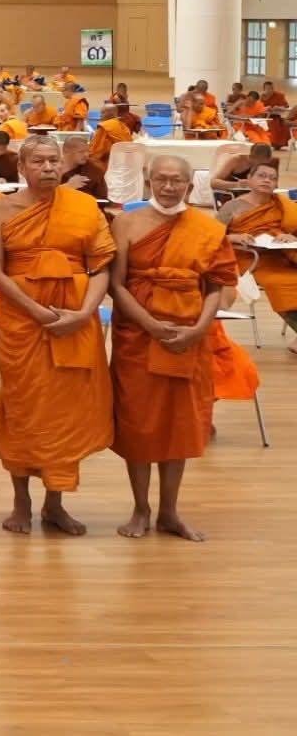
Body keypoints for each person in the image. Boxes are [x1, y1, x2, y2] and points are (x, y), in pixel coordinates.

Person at [0, 136, 114, 535]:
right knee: (23, 408)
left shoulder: (85, 206)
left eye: (54, 161)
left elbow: (101, 266)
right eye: (37, 161)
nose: (47, 168)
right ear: (21, 167)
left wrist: (86, 312)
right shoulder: (1, 210)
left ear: (64, 165)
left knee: (64, 412)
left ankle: (54, 502)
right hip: (24, 322)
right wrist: (36, 311)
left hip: (76, 318)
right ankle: (21, 501)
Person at [109, 155, 234, 542]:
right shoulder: (127, 223)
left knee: (180, 423)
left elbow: (216, 284)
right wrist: (148, 324)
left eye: (176, 180)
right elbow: (116, 284)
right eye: (161, 179)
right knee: (138, 422)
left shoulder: (207, 227)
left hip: (187, 337)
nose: (168, 187)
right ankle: (140, 507)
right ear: (148, 181)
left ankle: (169, 511)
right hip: (138, 337)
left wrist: (199, 329)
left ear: (188, 184)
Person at [221, 160, 297, 341]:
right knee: (277, 283)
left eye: (272, 178)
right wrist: (234, 237)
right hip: (250, 259)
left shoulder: (281, 204)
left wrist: (291, 237)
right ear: (248, 179)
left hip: (284, 256)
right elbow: (211, 237)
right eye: (261, 176)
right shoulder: (232, 207)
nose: (267, 180)